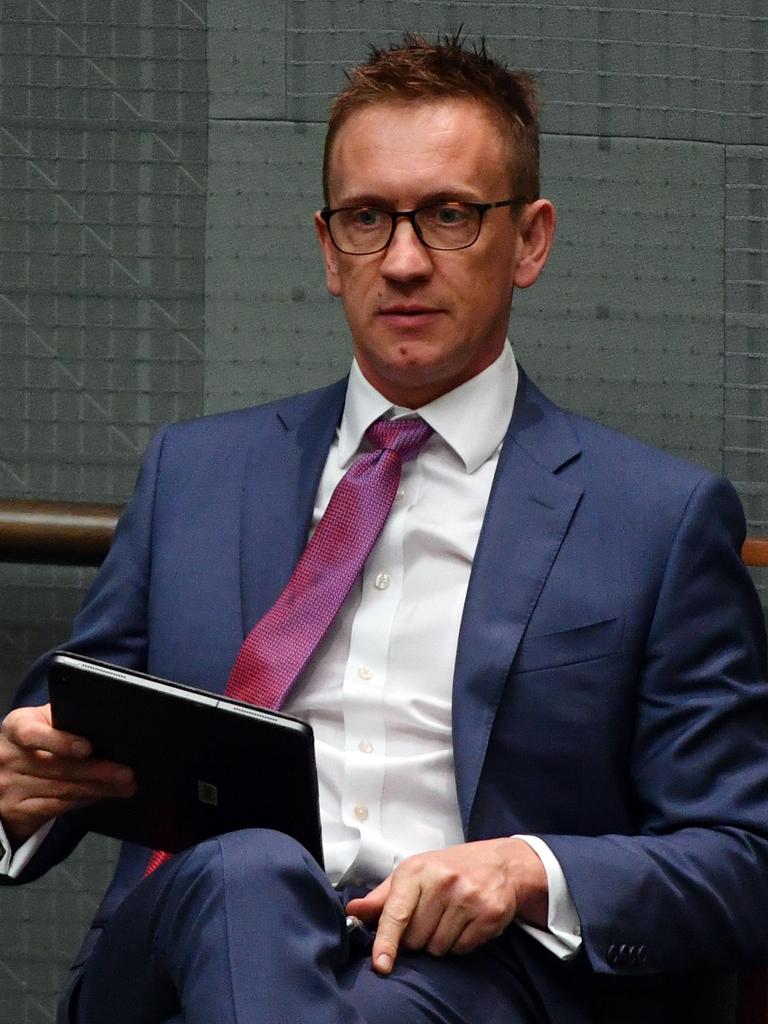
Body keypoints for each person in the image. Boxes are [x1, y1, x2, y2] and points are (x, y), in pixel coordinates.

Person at [1, 33, 768, 1024]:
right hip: (182, 951)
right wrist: (19, 791)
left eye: (450, 216)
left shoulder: (655, 521)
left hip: (473, 980)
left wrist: (526, 871)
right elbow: (62, 736)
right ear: (327, 248)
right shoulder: (194, 475)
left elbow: (743, 859)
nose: (403, 261)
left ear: (529, 239)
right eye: (367, 219)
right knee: (248, 869)